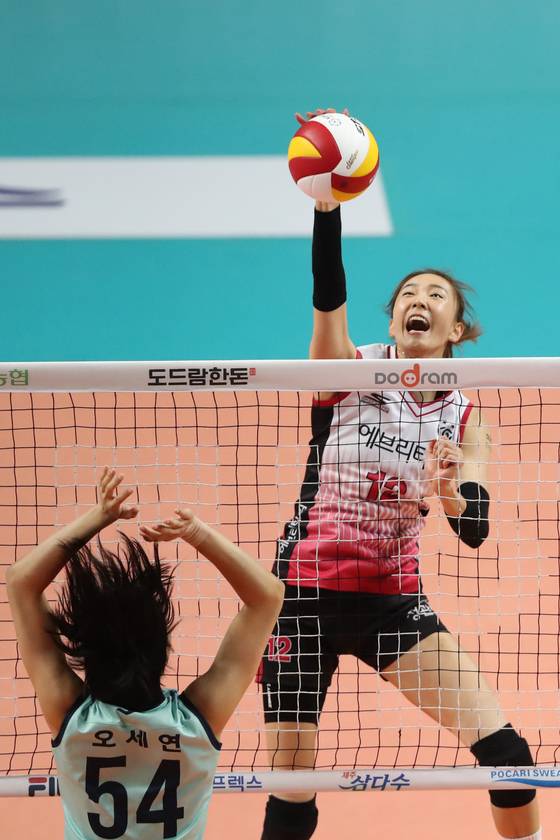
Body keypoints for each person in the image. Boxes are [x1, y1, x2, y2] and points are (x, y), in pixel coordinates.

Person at [258, 109, 542, 840]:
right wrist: (328, 212)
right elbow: (327, 301)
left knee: (509, 757)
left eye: (434, 297)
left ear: (454, 332)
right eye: (408, 294)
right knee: (291, 794)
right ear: (394, 324)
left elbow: (475, 532)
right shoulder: (348, 371)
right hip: (303, 601)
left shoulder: (466, 420)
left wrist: (454, 494)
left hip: (393, 605)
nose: (418, 300)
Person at [7, 467, 284, 840]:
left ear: (86, 654)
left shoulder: (72, 718)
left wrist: (98, 518)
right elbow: (267, 596)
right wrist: (196, 533)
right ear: (162, 650)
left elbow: (21, 582)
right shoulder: (195, 723)